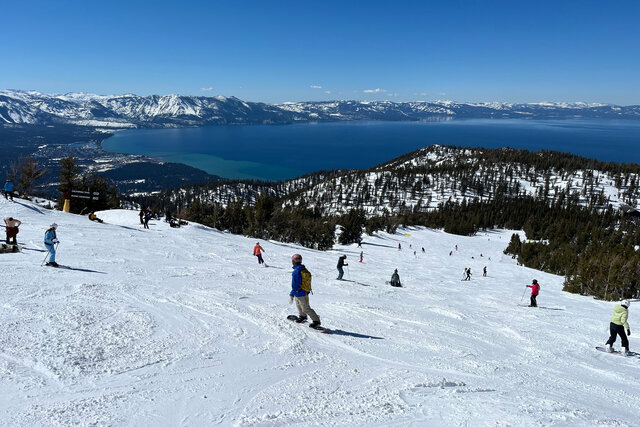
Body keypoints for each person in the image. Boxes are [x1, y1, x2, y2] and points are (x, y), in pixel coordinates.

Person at [290, 254, 321, 328]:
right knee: (298, 305)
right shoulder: (303, 269)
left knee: (305, 308)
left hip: (301, 292)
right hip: (302, 292)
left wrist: (291, 294)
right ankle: (302, 316)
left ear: (293, 261)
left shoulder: (296, 272)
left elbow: (295, 285)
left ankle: (316, 320)